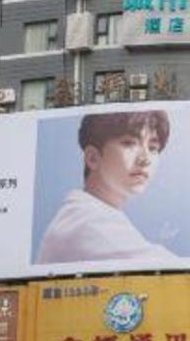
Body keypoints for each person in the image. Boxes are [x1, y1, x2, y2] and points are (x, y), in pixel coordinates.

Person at [37, 111, 180, 264]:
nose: (145, 159)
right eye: (129, 143)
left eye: (152, 147)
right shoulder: (86, 223)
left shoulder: (95, 214)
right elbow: (167, 267)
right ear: (93, 158)